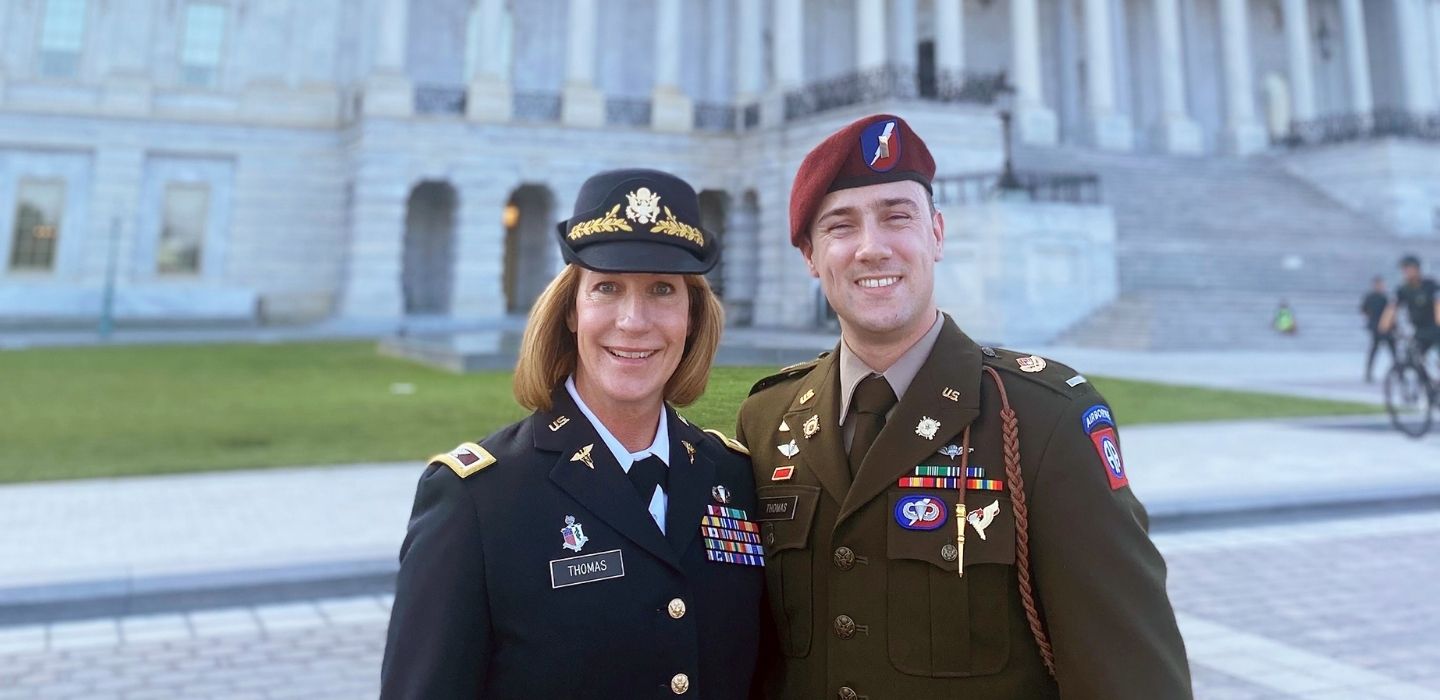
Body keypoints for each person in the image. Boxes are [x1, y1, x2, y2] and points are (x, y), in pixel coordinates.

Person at [736, 114, 1191, 698]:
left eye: (897, 216)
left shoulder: (1043, 420)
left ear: (938, 235)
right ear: (810, 255)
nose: (871, 248)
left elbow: (1132, 674)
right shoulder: (769, 421)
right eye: (840, 226)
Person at [381, 169, 763, 699]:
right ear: (570, 312)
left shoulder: (735, 476)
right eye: (607, 287)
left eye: (662, 290)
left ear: (692, 317)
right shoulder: (478, 500)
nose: (633, 321)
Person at [1380, 255, 1440, 371]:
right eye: (1404, 270)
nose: (1406, 272)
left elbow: (1438, 303)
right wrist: (1384, 326)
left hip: (1436, 329)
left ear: (1417, 269)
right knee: (1414, 359)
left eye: (1408, 269)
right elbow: (1392, 308)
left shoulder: (1430, 285)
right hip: (1419, 331)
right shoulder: (1403, 289)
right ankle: (1427, 387)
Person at [1362, 276, 1396, 382]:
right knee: (1374, 351)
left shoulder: (1385, 297)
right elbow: (1364, 310)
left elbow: (1391, 313)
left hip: (1386, 329)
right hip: (1376, 329)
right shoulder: (1370, 297)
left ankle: (1399, 372)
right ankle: (1368, 373)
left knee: (1393, 351)